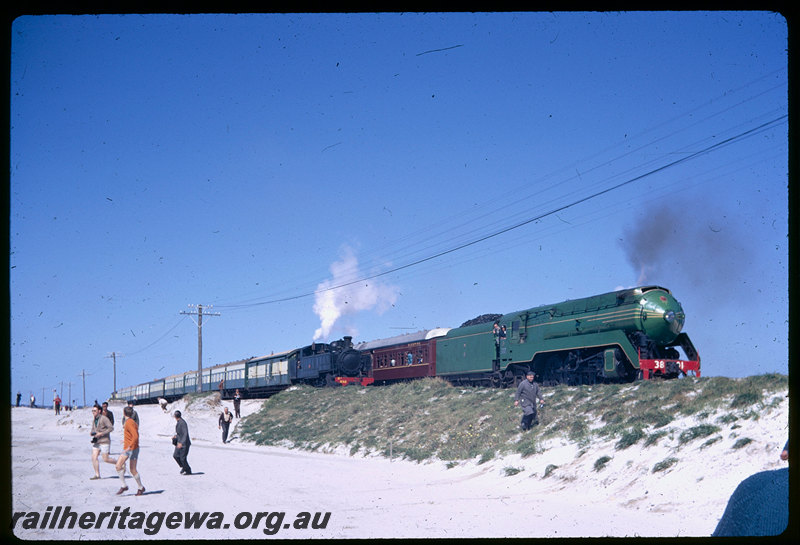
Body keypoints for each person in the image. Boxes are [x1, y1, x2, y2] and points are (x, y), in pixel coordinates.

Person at [115, 406, 145, 495]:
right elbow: (132, 435)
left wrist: (130, 446)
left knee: (133, 470)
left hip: (133, 449)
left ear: (124, 413)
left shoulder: (129, 423)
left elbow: (135, 436)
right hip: (128, 448)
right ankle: (124, 485)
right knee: (118, 466)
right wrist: (125, 441)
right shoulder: (130, 422)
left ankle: (141, 487)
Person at [90, 404, 117, 479]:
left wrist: (101, 433)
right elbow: (93, 428)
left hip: (105, 441)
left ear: (99, 411)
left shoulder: (104, 418)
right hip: (97, 441)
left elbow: (111, 428)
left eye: (94, 411)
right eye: (92, 411)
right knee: (94, 457)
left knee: (106, 459)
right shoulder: (94, 419)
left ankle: (119, 463)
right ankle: (97, 475)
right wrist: (92, 433)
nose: (93, 412)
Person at [172, 410, 192, 475]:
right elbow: (180, 433)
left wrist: (181, 443)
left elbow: (185, 433)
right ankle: (184, 467)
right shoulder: (179, 422)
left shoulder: (182, 423)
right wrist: (176, 436)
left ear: (175, 416)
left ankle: (188, 470)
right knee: (175, 456)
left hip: (184, 444)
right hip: (179, 442)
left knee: (183, 458)